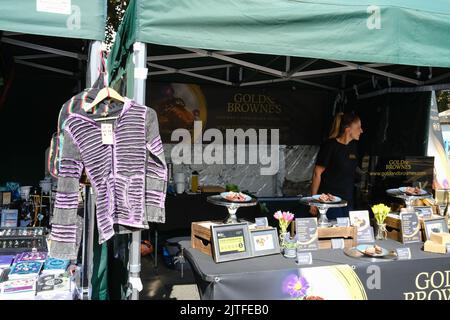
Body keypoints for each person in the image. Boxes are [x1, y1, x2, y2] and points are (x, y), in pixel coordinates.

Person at [310, 112, 363, 219]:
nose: (361, 131)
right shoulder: (330, 146)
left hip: (348, 200)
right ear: (348, 129)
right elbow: (317, 174)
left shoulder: (354, 146)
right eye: (358, 127)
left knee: (347, 233)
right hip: (330, 200)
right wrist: (313, 202)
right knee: (334, 231)